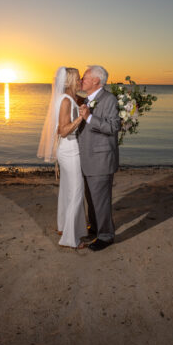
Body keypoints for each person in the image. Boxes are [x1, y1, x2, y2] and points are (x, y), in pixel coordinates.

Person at [37, 67, 88, 248]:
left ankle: (64, 226)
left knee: (68, 190)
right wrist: (81, 118)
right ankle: (70, 239)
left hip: (69, 149)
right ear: (70, 81)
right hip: (70, 150)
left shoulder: (71, 98)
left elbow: (83, 101)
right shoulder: (66, 101)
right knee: (76, 192)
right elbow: (63, 130)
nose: (82, 80)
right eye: (79, 78)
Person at [76, 65, 121, 251]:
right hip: (87, 157)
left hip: (101, 160)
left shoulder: (108, 99)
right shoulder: (87, 99)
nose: (81, 80)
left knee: (101, 201)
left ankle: (106, 236)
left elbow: (113, 127)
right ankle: (94, 230)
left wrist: (89, 117)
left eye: (85, 77)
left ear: (96, 80)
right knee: (92, 199)